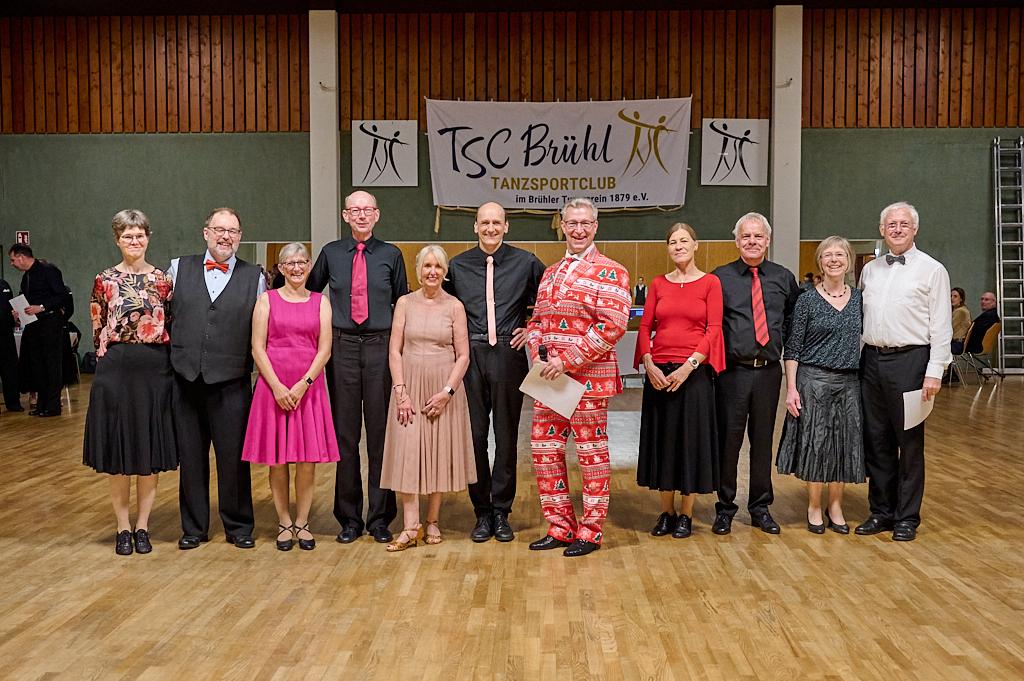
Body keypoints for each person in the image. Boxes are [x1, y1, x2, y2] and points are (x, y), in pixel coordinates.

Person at [526, 197, 632, 557]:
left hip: (588, 380)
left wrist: (567, 359)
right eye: (572, 223)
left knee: (591, 455)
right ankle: (560, 527)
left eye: (585, 223)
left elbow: (613, 325)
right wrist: (541, 351)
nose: (578, 229)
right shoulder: (550, 272)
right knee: (545, 450)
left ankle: (590, 531)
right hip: (550, 380)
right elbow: (537, 320)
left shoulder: (612, 270)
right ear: (562, 225)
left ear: (596, 226)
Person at [307, 190, 408, 545]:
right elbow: (307, 294)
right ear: (345, 215)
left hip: (381, 348)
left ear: (377, 215)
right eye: (355, 210)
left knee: (382, 437)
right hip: (343, 349)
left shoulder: (392, 255)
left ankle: (381, 517)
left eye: (367, 210)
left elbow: (401, 303)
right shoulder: (331, 254)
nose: (361, 215)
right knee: (346, 437)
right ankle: (348, 518)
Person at [443, 202, 544, 543]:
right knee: (474, 438)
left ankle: (501, 511)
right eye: (484, 223)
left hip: (508, 356)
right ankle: (481, 512)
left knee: (505, 438)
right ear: (475, 227)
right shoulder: (457, 267)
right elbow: (444, 309)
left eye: (496, 222)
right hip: (469, 358)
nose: (490, 228)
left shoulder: (526, 263)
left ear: (506, 226)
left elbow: (549, 301)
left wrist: (533, 328)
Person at [169, 207, 265, 550]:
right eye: (220, 229)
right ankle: (194, 527)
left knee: (233, 459)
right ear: (205, 232)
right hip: (186, 380)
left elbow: (262, 331)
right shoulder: (178, 269)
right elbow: (166, 320)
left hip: (231, 382)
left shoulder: (255, 277)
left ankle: (239, 526)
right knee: (191, 458)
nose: (226, 236)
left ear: (240, 237)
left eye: (233, 231)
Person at [82, 209, 177, 555]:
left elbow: (173, 324)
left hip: (155, 369)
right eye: (127, 236)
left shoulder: (163, 280)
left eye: (139, 235)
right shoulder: (103, 279)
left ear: (148, 237)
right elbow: (97, 327)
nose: (134, 241)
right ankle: (122, 527)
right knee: (120, 451)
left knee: (147, 450)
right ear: (117, 239)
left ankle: (143, 527)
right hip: (117, 368)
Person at [857, 201, 951, 542]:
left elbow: (941, 325)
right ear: (882, 230)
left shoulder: (932, 270)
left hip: (911, 363)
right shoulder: (870, 270)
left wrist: (935, 371)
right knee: (877, 440)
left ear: (915, 229)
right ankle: (881, 511)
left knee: (909, 444)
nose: (897, 229)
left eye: (904, 224)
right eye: (891, 224)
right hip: (872, 362)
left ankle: (907, 516)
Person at [242, 243, 339, 551]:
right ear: (280, 268)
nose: (297, 268)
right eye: (290, 263)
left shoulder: (320, 302)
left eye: (302, 262)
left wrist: (303, 384)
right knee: (278, 460)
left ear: (309, 266)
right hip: (274, 388)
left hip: (308, 389)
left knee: (307, 461)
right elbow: (258, 347)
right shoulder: (265, 300)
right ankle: (284, 521)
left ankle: (303, 521)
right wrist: (278, 387)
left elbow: (325, 349)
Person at [379, 245, 475, 551]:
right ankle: (410, 526)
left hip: (442, 387)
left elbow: (463, 356)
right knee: (409, 452)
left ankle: (432, 521)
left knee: (437, 451)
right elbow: (395, 350)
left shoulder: (455, 307)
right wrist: (401, 391)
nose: (432, 272)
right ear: (418, 270)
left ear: (445, 272)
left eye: (438, 266)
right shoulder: (404, 303)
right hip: (409, 386)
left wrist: (447, 392)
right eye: (426, 266)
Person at [711, 212, 801, 536]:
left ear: (768, 240)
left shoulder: (783, 277)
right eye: (746, 236)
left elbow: (795, 317)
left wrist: (785, 344)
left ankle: (760, 506)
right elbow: (710, 323)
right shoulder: (719, 278)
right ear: (737, 241)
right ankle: (724, 508)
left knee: (762, 441)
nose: (752, 241)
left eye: (758, 236)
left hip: (768, 372)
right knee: (729, 442)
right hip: (731, 374)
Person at [634, 223, 725, 539]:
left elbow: (713, 329)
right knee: (664, 441)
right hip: (659, 373)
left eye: (684, 240)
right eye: (672, 242)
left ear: (696, 245)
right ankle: (666, 511)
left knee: (691, 442)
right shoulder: (659, 283)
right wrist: (648, 361)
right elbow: (645, 327)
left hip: (693, 374)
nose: (678, 246)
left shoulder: (711, 283)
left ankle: (686, 513)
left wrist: (688, 367)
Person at [776, 236, 865, 535]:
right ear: (820, 262)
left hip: (849, 382)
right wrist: (791, 388)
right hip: (813, 381)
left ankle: (835, 506)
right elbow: (793, 348)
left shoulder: (860, 299)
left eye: (840, 254)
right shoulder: (807, 300)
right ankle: (814, 505)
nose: (834, 259)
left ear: (849, 260)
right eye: (828, 255)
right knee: (817, 445)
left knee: (842, 445)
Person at [8, 244, 67, 417]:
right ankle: (42, 404)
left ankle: (53, 405)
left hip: (49, 322)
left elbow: (61, 296)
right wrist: (18, 311)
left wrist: (41, 307)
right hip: (33, 324)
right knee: (38, 365)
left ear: (21, 257)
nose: (12, 264)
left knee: (51, 364)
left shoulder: (48, 270)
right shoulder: (26, 277)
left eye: (13, 260)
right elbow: (26, 299)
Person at [0, 276, 21, 412]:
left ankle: (13, 402)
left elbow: (11, 306)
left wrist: (15, 317)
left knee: (10, 369)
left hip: (6, 334)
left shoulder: (4, 284)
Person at [950, 287, 971, 355]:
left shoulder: (960, 311)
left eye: (955, 296)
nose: (951, 298)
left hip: (957, 345)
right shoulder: (962, 309)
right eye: (950, 296)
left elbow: (949, 328)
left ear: (961, 299)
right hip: (959, 343)